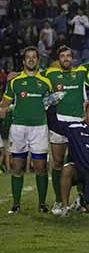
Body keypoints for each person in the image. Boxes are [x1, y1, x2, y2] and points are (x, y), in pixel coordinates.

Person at [0, 47, 52, 214]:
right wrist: (3, 109)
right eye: (28, 57)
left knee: (41, 166)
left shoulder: (46, 81)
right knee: (17, 166)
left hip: (39, 127)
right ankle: (16, 204)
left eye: (34, 57)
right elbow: (5, 104)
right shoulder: (14, 81)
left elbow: (51, 101)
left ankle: (42, 204)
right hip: (19, 128)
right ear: (23, 61)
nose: (31, 60)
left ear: (38, 60)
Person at [43, 45, 87, 215]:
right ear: (58, 59)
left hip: (77, 124)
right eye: (63, 56)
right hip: (58, 123)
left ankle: (81, 198)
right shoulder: (50, 74)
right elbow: (33, 77)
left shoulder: (81, 73)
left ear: (73, 58)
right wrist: (16, 74)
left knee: (81, 162)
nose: (66, 59)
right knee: (58, 163)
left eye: (69, 56)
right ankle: (59, 201)